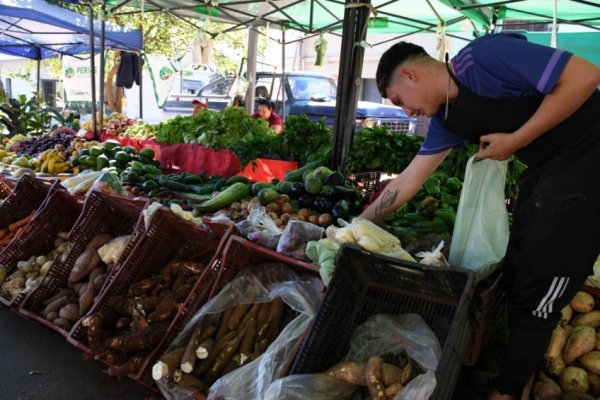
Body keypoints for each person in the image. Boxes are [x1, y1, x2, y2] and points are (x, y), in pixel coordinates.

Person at [360, 32, 600, 400]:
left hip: (590, 157)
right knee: (516, 267)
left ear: (409, 75)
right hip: (549, 168)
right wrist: (360, 222)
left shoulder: (484, 56)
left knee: (545, 274)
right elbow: (409, 180)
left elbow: (585, 75)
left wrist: (516, 140)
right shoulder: (447, 119)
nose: (406, 112)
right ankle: (516, 376)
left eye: (399, 101)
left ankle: (506, 391)